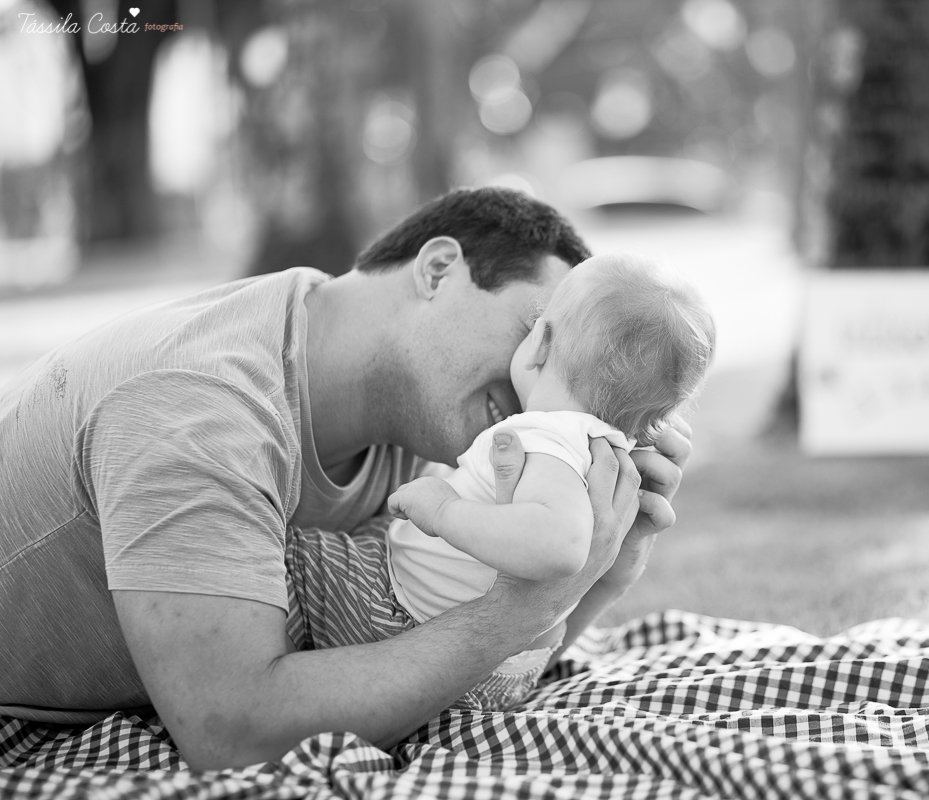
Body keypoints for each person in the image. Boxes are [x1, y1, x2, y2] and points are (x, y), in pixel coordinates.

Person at [0, 188, 691, 770]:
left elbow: (434, 655)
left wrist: (597, 576)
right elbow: (233, 730)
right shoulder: (198, 407)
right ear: (439, 268)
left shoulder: (422, 416)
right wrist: (520, 609)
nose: (540, 380)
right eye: (539, 332)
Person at [385, 253, 715, 710]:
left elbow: (560, 545)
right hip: (507, 669)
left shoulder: (545, 434)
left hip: (404, 617)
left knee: (300, 559)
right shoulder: (597, 453)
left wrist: (444, 512)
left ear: (540, 341)